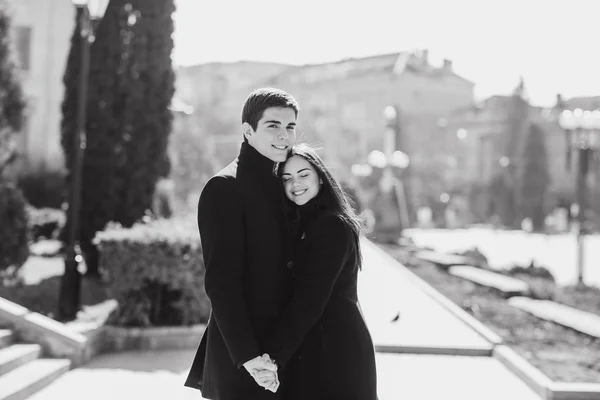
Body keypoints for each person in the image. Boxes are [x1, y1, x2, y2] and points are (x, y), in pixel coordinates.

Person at [184, 88, 300, 399]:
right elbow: (222, 283)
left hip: (287, 352)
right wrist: (249, 358)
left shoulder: (290, 185)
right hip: (245, 359)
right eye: (273, 126)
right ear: (248, 131)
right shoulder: (224, 188)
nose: (284, 135)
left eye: (290, 127)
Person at [258, 143, 379, 399]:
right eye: (286, 178)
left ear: (321, 179)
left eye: (304, 174)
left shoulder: (332, 226)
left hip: (337, 351)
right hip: (316, 346)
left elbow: (309, 300)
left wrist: (272, 355)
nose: (295, 183)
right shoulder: (305, 223)